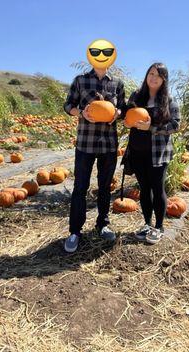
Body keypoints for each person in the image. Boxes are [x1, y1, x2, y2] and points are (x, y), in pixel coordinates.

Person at [63, 40, 125, 253]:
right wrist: (81, 113)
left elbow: (123, 110)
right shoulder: (80, 80)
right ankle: (75, 231)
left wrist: (117, 113)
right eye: (97, 52)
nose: (101, 55)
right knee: (80, 187)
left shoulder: (117, 83)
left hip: (108, 143)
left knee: (105, 186)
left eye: (106, 52)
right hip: (85, 143)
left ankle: (103, 223)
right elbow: (68, 105)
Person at [124, 63, 180, 244]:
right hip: (137, 151)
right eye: (151, 73)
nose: (153, 77)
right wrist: (126, 121)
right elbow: (126, 115)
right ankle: (147, 224)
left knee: (157, 188)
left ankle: (159, 226)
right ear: (146, 75)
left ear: (164, 79)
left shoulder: (169, 100)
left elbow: (175, 125)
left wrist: (152, 128)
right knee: (144, 189)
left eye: (158, 75)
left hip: (158, 153)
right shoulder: (136, 96)